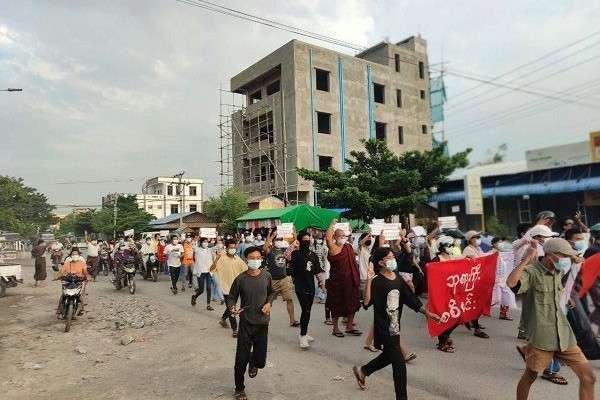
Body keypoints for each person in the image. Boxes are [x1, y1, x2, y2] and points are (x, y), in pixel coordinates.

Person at [507, 238, 596, 400]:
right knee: (530, 376)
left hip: (564, 336)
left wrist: (575, 259)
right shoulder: (532, 272)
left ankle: (526, 350)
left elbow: (575, 268)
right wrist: (526, 259)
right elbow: (512, 283)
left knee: (589, 377)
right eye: (564, 256)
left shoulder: (559, 271)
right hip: (542, 338)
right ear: (550, 255)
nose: (566, 260)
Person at [352, 247, 440, 400]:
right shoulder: (377, 281)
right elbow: (366, 303)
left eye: (393, 256)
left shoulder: (397, 278)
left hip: (395, 327)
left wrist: (429, 314)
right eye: (389, 257)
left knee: (388, 356)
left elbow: (410, 299)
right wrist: (368, 280)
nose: (393, 260)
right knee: (399, 365)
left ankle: (363, 371)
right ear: (381, 262)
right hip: (383, 329)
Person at [227, 246, 274, 400]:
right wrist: (232, 308)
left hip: (262, 324)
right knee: (241, 359)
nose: (255, 260)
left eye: (258, 257)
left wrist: (269, 303)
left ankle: (253, 361)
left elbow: (272, 293)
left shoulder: (266, 276)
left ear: (261, 258)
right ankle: (239, 389)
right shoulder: (241, 279)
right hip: (246, 324)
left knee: (260, 362)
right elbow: (231, 296)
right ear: (246, 260)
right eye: (252, 258)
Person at [325, 220, 361, 337]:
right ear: (335, 237)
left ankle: (349, 326)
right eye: (339, 236)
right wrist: (331, 224)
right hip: (337, 283)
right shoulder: (333, 248)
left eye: (343, 236)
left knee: (353, 304)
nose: (342, 238)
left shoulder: (348, 247)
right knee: (336, 305)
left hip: (351, 281)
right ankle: (335, 328)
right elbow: (328, 238)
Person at [290, 231, 324, 349]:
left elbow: (318, 270)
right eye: (304, 239)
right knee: (306, 310)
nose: (307, 241)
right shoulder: (295, 253)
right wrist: (293, 244)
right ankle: (302, 336)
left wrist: (322, 284)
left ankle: (304, 332)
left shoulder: (313, 255)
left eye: (308, 239)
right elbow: (285, 256)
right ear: (300, 241)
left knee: (308, 310)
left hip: (311, 286)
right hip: (300, 286)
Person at [211, 239, 248, 337]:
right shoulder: (221, 258)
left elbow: (246, 270)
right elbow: (211, 269)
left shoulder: (237, 259)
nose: (233, 249)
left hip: (236, 288)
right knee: (232, 308)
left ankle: (223, 319)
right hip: (226, 288)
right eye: (230, 247)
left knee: (230, 307)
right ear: (226, 248)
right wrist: (216, 259)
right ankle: (235, 329)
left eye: (234, 247)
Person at [263, 229, 299, 328]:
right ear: (274, 241)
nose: (279, 240)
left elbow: (295, 244)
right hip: (272, 280)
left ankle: (292, 320)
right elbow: (265, 247)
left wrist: (294, 234)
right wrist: (271, 235)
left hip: (284, 278)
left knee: (289, 299)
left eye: (280, 239)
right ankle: (266, 320)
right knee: (268, 301)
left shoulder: (285, 250)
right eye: (277, 239)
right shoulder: (270, 251)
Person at [461, 230, 489, 339]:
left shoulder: (478, 249)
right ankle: (476, 328)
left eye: (478, 237)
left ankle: (469, 320)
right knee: (474, 304)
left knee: (476, 304)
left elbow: (484, 258)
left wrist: (493, 253)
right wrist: (470, 260)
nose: (477, 239)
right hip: (471, 281)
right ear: (469, 239)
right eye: (475, 237)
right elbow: (464, 263)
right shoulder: (467, 250)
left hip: (478, 279)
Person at [55, 247, 89, 316]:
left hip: (78, 280)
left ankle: (81, 309)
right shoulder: (67, 263)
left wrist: (87, 277)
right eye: (73, 254)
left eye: (76, 254)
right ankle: (59, 309)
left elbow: (85, 272)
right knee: (63, 295)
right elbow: (61, 271)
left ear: (79, 255)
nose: (75, 256)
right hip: (68, 280)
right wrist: (57, 276)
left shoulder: (82, 263)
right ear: (71, 255)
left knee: (79, 296)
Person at [490, 237, 516, 321]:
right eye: (499, 242)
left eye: (502, 242)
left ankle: (503, 314)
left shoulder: (504, 253)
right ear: (494, 244)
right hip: (494, 280)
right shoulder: (491, 253)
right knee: (494, 298)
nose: (502, 244)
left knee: (506, 296)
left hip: (503, 279)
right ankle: (480, 311)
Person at [191, 237, 215, 310]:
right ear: (201, 243)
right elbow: (192, 245)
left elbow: (217, 247)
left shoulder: (209, 250)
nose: (205, 243)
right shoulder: (197, 249)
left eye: (206, 241)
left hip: (208, 272)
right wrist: (195, 240)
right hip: (201, 272)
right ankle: (194, 297)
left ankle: (208, 305)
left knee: (209, 288)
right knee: (201, 290)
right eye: (204, 241)